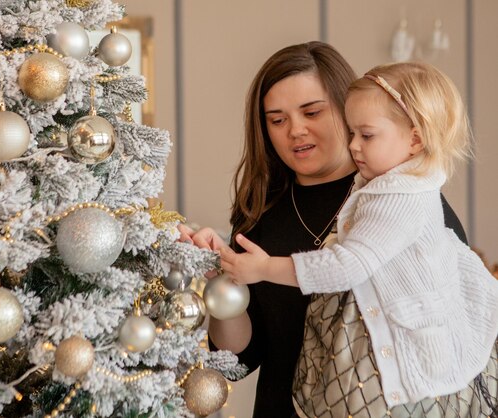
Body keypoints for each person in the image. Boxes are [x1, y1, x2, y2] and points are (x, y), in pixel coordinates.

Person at [178, 42, 471, 417]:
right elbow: (239, 361)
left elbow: (453, 328)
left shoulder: (400, 202)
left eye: (312, 112)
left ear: (349, 110)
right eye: (277, 120)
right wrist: (222, 278)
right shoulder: (260, 213)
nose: (296, 130)